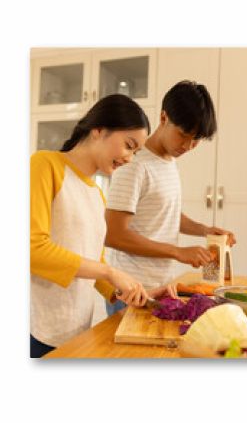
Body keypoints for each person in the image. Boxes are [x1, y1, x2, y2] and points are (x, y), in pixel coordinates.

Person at [30, 94, 155, 358]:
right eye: (129, 145)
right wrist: (109, 272)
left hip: (77, 331)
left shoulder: (97, 194)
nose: (130, 158)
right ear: (98, 130)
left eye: (135, 152)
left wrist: (125, 291)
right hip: (38, 330)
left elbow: (91, 262)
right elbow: (32, 249)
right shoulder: (45, 165)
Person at [101, 81, 236, 316]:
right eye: (183, 135)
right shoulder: (133, 164)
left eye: (196, 140)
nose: (188, 146)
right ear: (164, 117)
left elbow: (165, 213)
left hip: (159, 287)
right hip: (130, 289)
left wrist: (205, 230)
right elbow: (113, 235)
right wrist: (177, 251)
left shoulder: (167, 160)